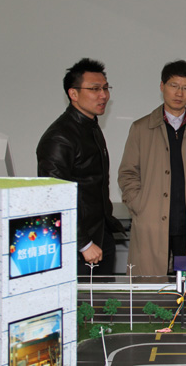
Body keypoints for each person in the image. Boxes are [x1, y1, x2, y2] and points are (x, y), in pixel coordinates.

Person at [118, 60, 186, 275]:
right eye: (174, 86)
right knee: (151, 286)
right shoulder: (141, 128)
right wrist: (139, 205)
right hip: (152, 222)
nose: (179, 93)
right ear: (162, 86)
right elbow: (128, 173)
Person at [37, 58, 124, 275]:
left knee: (105, 296)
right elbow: (53, 198)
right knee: (84, 298)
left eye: (105, 88)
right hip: (78, 247)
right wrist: (83, 243)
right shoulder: (59, 138)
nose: (103, 95)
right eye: (94, 89)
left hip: (100, 234)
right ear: (73, 94)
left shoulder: (90, 126)